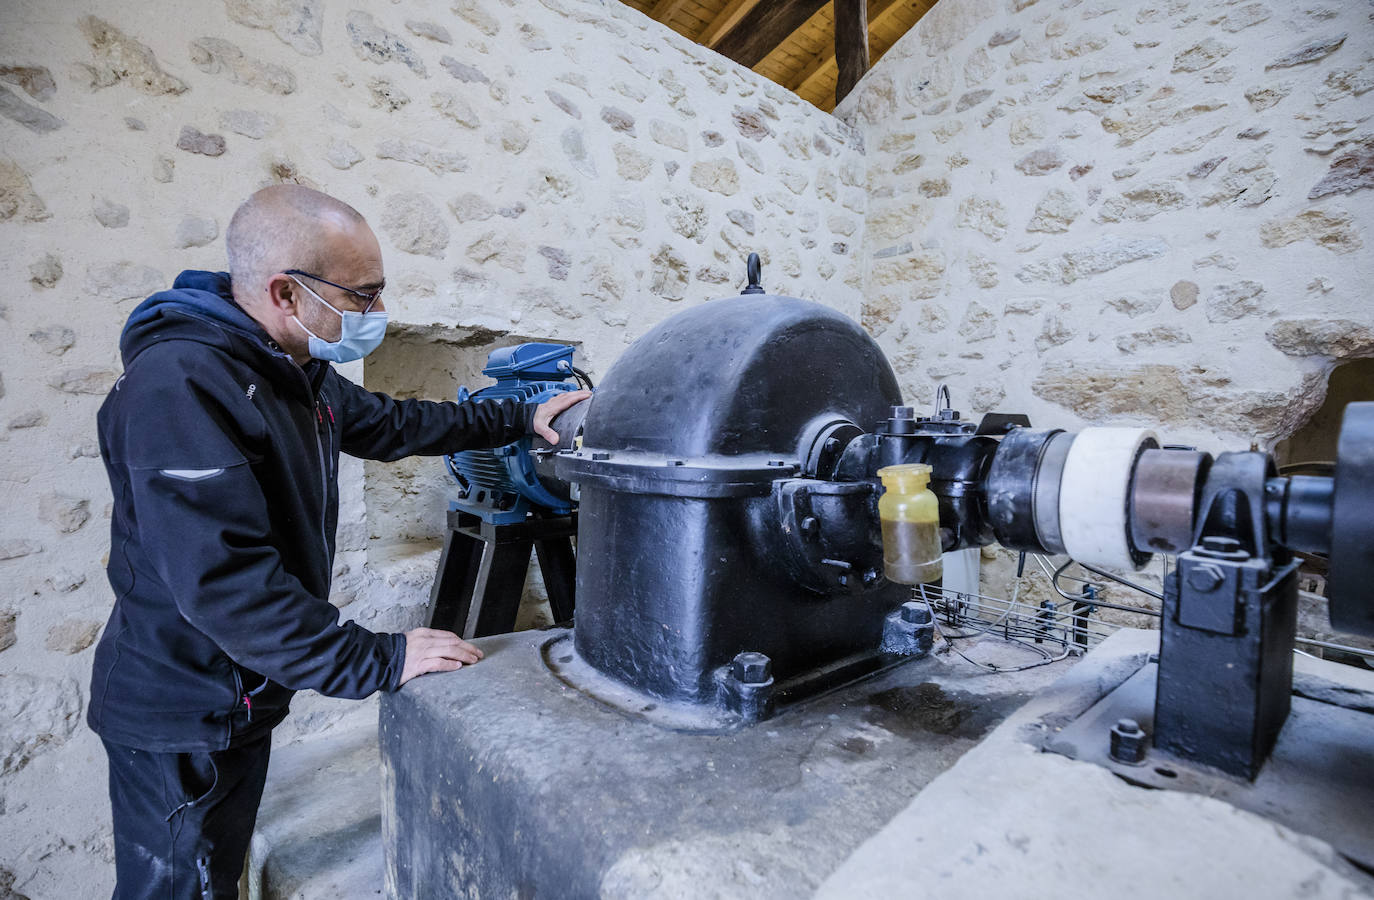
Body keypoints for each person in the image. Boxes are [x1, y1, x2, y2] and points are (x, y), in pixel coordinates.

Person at [87, 184, 589, 899]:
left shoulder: (292, 368)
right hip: (183, 706)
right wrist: (379, 658)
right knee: (182, 886)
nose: (377, 315)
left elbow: (393, 425)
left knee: (215, 875)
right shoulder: (182, 386)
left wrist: (521, 416)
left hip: (240, 693)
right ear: (286, 293)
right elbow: (226, 585)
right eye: (363, 295)